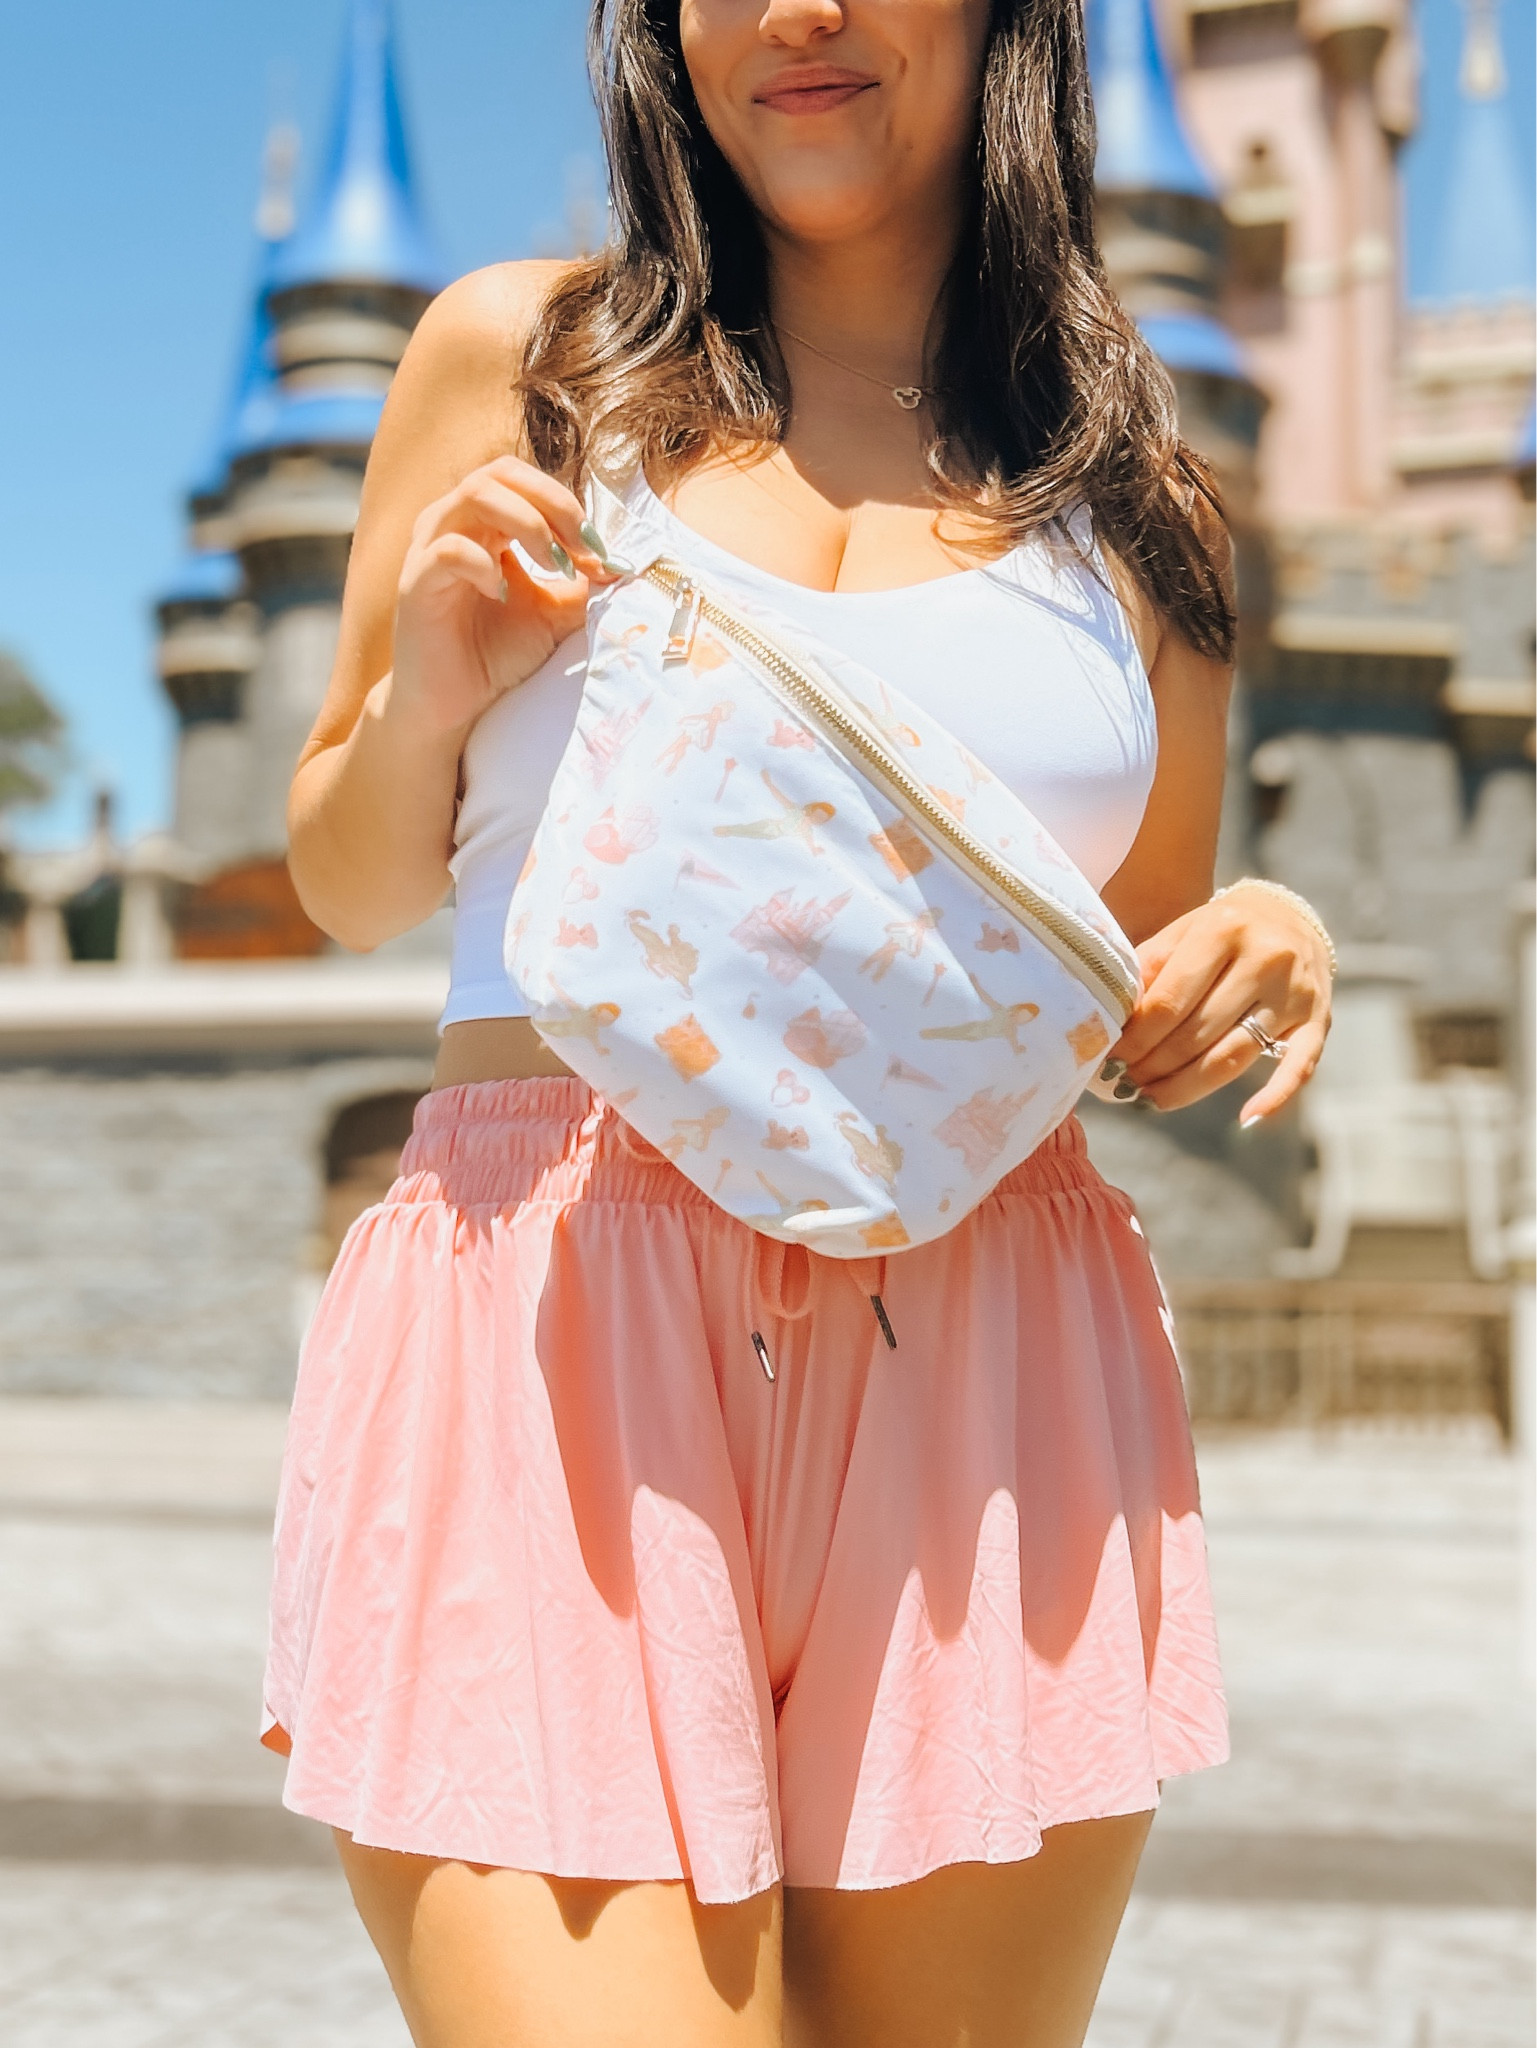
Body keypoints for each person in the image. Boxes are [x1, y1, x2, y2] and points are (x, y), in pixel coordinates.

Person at [265, 3, 1334, 2043]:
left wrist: (1267, 932)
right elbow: (346, 879)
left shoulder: (1145, 508)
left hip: (987, 1381)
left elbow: (1111, 976)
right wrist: (422, 691)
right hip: (548, 1333)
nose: (799, 12)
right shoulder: (525, 358)